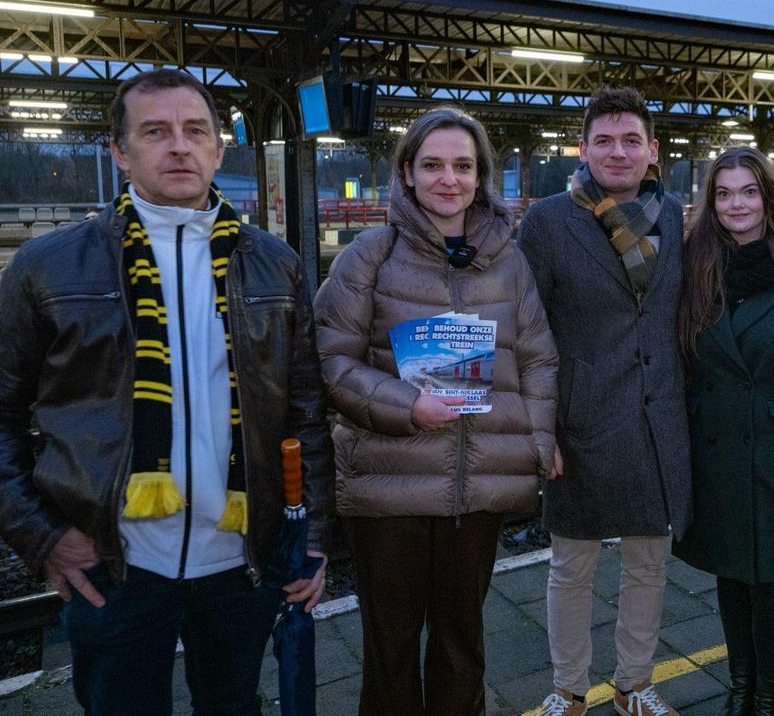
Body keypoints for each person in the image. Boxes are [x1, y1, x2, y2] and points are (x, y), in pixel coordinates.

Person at [0, 69, 333, 716]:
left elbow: (306, 415)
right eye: (155, 131)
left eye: (195, 131)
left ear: (218, 150)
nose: (179, 146)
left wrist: (312, 537)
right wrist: (43, 536)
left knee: (233, 706)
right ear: (119, 152)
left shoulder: (274, 264)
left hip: (241, 562)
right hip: (115, 564)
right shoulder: (49, 267)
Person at [313, 106, 558, 716]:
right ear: (407, 173)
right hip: (387, 485)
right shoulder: (368, 255)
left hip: (476, 491)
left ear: (480, 177)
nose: (449, 179)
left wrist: (537, 444)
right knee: (390, 650)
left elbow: (537, 358)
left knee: (462, 646)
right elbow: (330, 361)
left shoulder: (510, 262)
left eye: (463, 166)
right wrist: (408, 406)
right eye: (432, 165)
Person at [519, 85, 691, 716]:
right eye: (604, 141)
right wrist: (542, 430)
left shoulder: (673, 217)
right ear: (583, 149)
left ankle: (633, 684)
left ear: (653, 150)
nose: (618, 152)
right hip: (581, 421)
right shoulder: (547, 222)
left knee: (649, 563)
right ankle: (568, 689)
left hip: (656, 416)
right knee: (572, 565)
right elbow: (529, 332)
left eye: (630, 140)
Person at [671, 146, 774, 716]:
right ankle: (739, 685)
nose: (735, 205)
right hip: (717, 450)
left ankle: (768, 696)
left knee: (771, 583)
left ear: (769, 198)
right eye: (723, 194)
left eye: (748, 192)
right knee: (729, 574)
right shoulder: (697, 268)